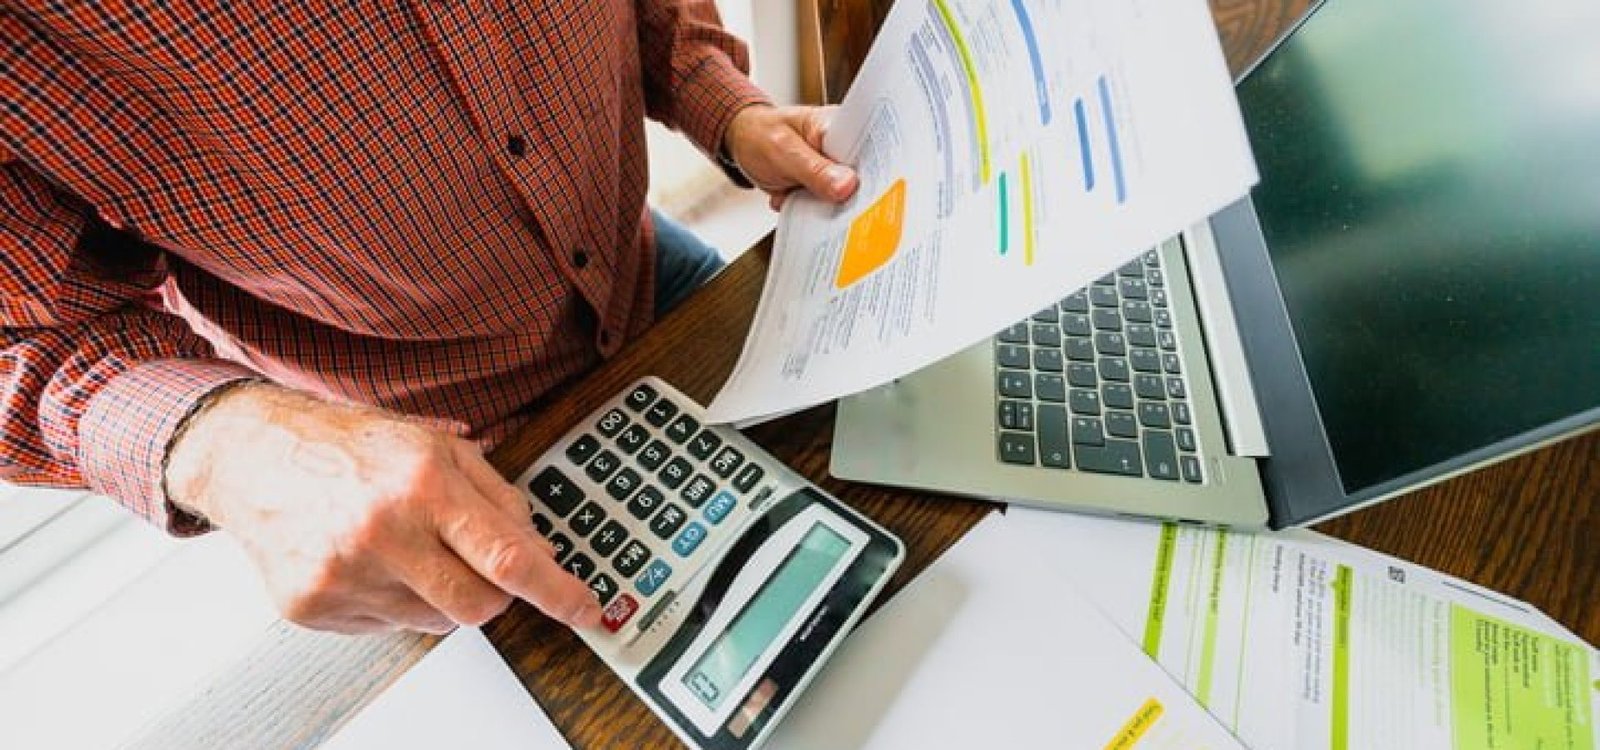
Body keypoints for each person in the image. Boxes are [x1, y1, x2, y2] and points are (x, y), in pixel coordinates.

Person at [0, 2, 857, 635]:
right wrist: (227, 445)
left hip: (661, 283)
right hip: (434, 470)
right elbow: (20, 338)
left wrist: (722, 103)